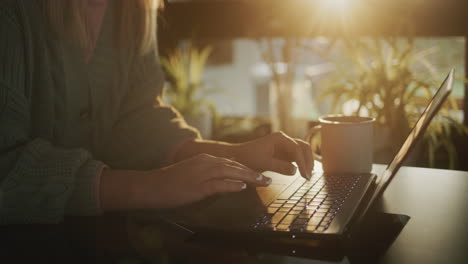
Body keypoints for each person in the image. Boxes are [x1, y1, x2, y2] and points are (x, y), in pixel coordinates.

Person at [0, 0, 313, 225]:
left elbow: (136, 116)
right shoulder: (13, 13)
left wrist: (234, 154)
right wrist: (152, 186)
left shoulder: (135, 10)